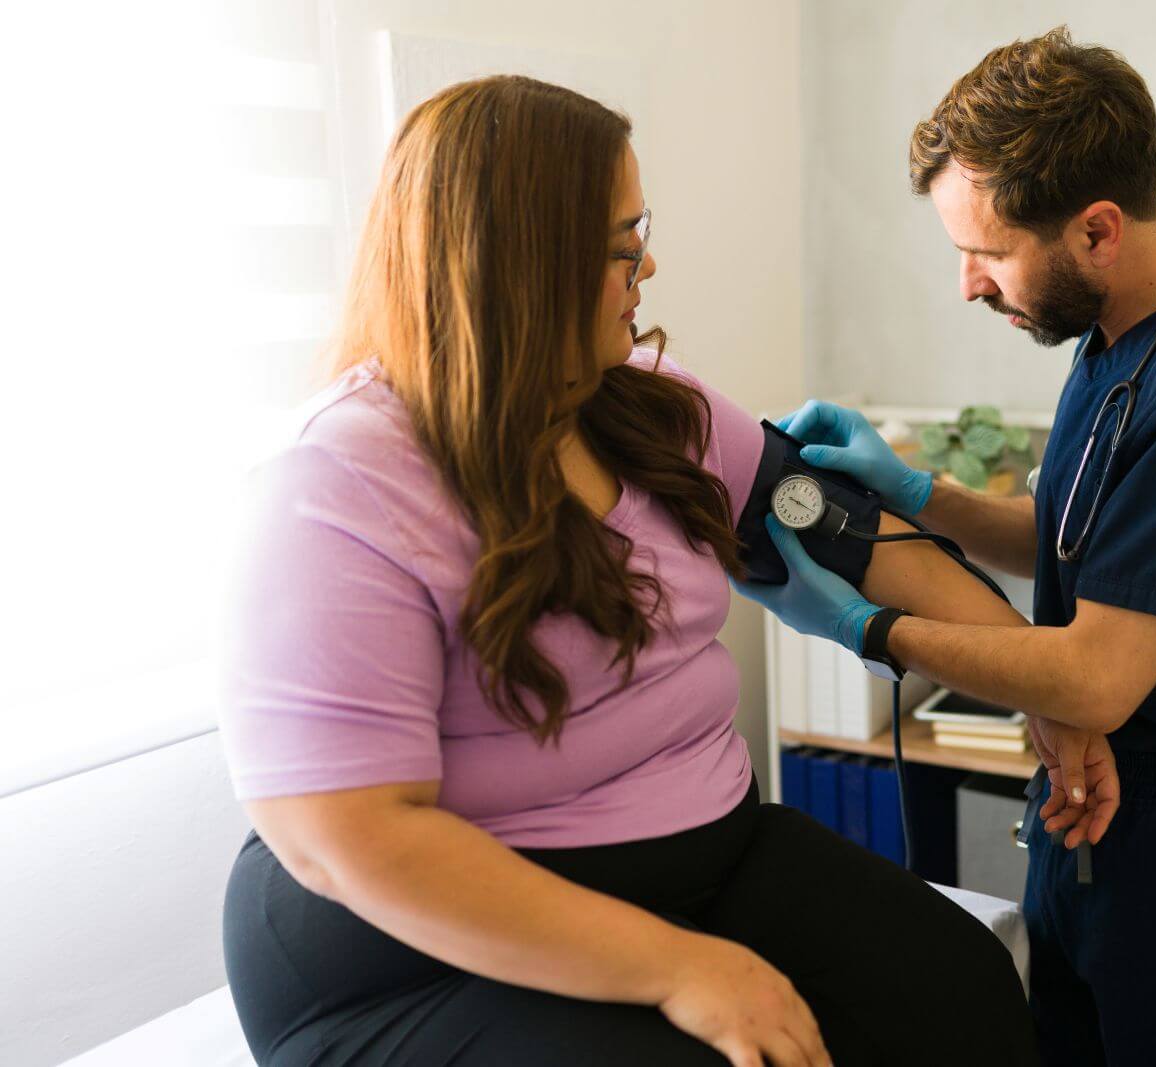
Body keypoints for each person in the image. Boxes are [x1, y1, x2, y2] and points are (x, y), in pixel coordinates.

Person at [218, 75, 1048, 1066]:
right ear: (523, 264)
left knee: (958, 983)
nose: (646, 263)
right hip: (416, 945)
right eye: (620, 244)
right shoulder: (340, 485)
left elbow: (855, 536)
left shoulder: (643, 404)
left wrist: (1044, 694)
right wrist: (679, 967)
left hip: (704, 860)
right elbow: (350, 837)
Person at [739, 27, 1156, 1066]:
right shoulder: (1119, 326)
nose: (969, 283)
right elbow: (1081, 538)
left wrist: (871, 626)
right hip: (1090, 811)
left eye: (986, 253)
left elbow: (1097, 676)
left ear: (1097, 230)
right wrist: (924, 491)